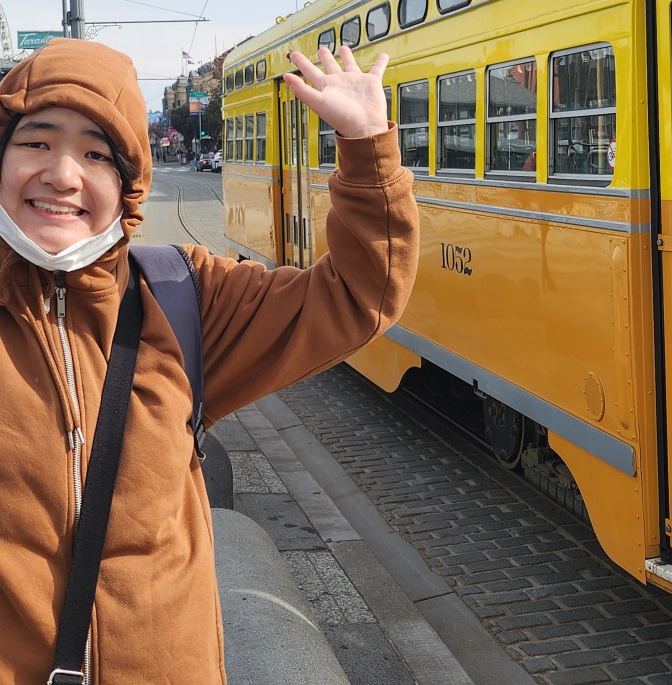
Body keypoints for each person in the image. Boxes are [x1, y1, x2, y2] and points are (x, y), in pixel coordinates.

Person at [0, 37, 419, 685]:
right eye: (36, 142)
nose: (63, 174)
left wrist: (367, 150)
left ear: (129, 182)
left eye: (96, 154)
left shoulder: (184, 296)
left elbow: (358, 295)